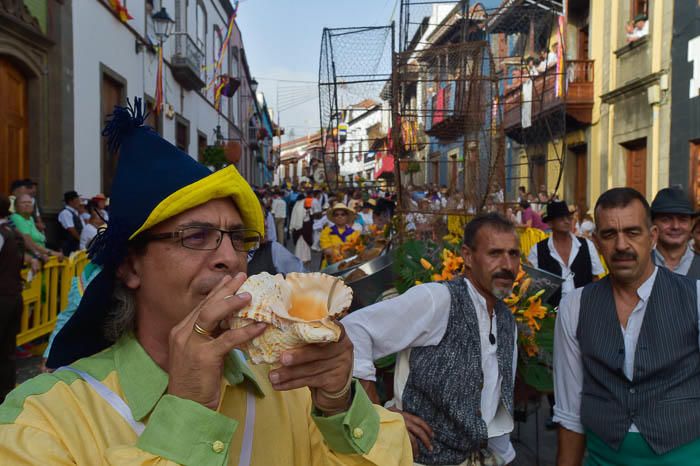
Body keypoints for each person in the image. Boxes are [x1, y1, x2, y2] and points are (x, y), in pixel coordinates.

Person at [0, 99, 411, 465]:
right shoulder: (44, 420)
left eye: (238, 238)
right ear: (129, 267)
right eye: (195, 237)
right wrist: (188, 410)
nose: (230, 258)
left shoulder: (288, 382)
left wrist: (338, 406)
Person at [344, 213, 520, 465]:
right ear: (468, 256)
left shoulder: (506, 321)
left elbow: (497, 404)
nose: (507, 264)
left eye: (513, 254)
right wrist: (377, 413)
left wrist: (505, 458)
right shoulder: (439, 300)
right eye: (495, 253)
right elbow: (354, 329)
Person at [554, 187, 700, 465]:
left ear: (652, 237)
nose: (621, 245)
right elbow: (569, 411)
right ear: (597, 242)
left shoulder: (696, 297)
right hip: (604, 458)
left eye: (633, 232)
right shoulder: (575, 306)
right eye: (610, 234)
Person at [528, 200, 604, 307]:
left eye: (568, 218)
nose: (566, 221)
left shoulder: (586, 245)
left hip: (584, 307)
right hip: (552, 313)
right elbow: (531, 284)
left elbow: (596, 278)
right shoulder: (537, 250)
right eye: (560, 218)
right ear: (550, 223)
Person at [0, 195, 39, 402]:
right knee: (6, 352)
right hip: (13, 296)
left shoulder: (3, 234)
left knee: (5, 351)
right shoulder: (11, 233)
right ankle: (5, 396)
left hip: (4, 299)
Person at [650, 187, 700, 279]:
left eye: (683, 220)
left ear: (692, 224)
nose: (675, 226)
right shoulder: (639, 264)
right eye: (666, 220)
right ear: (653, 223)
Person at [10, 193, 62, 261]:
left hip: (39, 258)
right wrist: (51, 252)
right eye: (23, 202)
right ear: (16, 206)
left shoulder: (30, 218)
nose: (27, 204)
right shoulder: (17, 218)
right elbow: (28, 242)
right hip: (29, 260)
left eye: (29, 202)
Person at [320, 203, 360, 268]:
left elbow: (357, 251)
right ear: (333, 217)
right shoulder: (327, 231)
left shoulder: (355, 233)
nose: (339, 216)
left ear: (347, 217)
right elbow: (327, 251)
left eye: (343, 214)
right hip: (330, 266)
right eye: (336, 215)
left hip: (349, 266)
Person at [58, 190, 85, 256]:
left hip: (75, 245)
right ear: (70, 201)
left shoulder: (75, 212)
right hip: (68, 246)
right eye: (77, 199)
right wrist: (81, 241)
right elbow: (71, 229)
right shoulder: (65, 213)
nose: (79, 202)